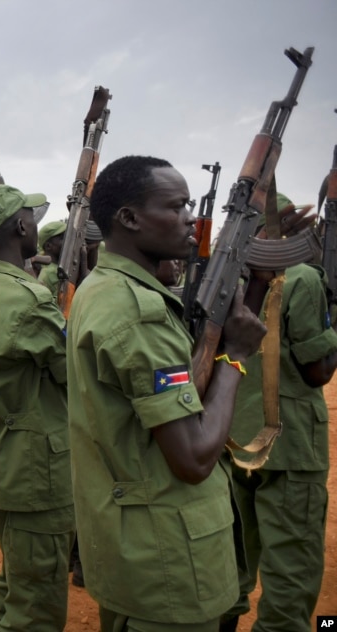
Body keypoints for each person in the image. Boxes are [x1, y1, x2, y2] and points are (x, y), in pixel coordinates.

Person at [66, 155, 267, 631]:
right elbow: (194, 458)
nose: (190, 220)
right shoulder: (139, 312)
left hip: (133, 548)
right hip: (169, 564)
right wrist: (236, 356)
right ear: (130, 219)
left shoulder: (103, 286)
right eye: (176, 208)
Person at [219, 192, 337, 632]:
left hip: (233, 438)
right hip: (288, 446)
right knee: (292, 566)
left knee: (233, 558)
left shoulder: (228, 276)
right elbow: (316, 372)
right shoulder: (302, 278)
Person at [0, 185, 73, 631]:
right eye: (32, 217)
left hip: (5, 455)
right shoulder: (29, 299)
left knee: (14, 578)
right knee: (37, 601)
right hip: (36, 466)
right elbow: (74, 373)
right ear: (22, 226)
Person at [36, 219, 66, 297]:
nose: (67, 241)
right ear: (48, 246)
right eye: (62, 238)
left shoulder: (63, 266)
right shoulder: (47, 275)